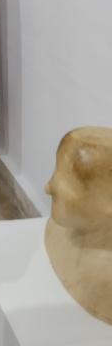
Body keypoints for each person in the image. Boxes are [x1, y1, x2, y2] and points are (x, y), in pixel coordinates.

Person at [44, 126, 112, 325]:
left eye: (71, 181)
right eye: (58, 170)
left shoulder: (105, 284)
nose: (48, 187)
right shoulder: (57, 230)